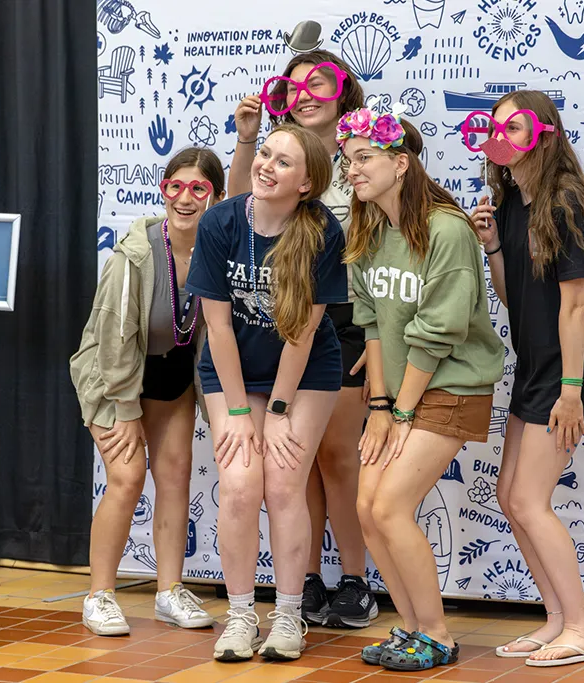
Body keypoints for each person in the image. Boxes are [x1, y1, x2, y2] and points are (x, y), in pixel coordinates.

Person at [340, 107, 505, 672]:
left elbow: (438, 333)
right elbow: (370, 323)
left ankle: (437, 634)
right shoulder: (368, 229)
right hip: (402, 393)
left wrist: (402, 412)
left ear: (400, 162)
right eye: (347, 160)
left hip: (451, 386)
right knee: (366, 508)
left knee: (389, 506)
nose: (352, 170)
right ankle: (410, 627)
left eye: (364, 158)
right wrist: (382, 407)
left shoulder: (447, 228)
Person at [186, 124, 346, 661]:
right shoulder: (221, 221)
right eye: (265, 153)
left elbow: (302, 332)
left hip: (304, 373)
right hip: (232, 369)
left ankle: (288, 615)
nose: (266, 165)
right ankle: (238, 616)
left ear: (306, 183)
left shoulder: (322, 230)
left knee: (282, 484)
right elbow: (219, 327)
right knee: (236, 485)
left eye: (283, 162)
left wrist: (277, 409)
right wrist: (236, 410)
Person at [470, 90, 584, 667]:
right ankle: (556, 618)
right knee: (510, 497)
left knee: (530, 500)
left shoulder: (564, 202)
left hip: (566, 377)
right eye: (496, 125)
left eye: (516, 125)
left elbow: (575, 305)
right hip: (534, 370)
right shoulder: (510, 203)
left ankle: (582, 629)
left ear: (544, 134)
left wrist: (572, 392)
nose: (503, 134)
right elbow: (515, 302)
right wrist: (491, 249)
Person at [229, 47, 375, 629]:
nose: (305, 93)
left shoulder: (362, 156)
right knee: (297, 466)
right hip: (278, 326)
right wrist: (246, 140)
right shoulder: (274, 158)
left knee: (338, 459)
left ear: (344, 94)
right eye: (293, 86)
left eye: (319, 83)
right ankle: (307, 578)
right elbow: (237, 206)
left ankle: (357, 581)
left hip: (342, 326)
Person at [70, 147, 225, 636]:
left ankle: (168, 591)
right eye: (175, 187)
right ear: (163, 190)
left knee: (175, 476)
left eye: (198, 189)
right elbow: (115, 339)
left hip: (173, 374)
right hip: (116, 376)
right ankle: (99, 595)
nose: (185, 198)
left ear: (215, 197)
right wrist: (125, 409)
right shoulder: (135, 254)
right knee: (128, 476)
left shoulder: (217, 247)